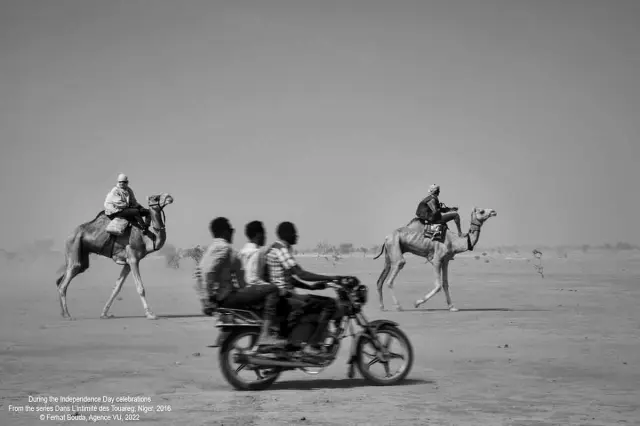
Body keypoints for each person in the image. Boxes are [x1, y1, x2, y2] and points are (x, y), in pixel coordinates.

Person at [195, 217, 286, 348]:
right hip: (227, 296)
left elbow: (198, 274)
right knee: (272, 289)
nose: (233, 232)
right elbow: (208, 272)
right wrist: (210, 297)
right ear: (225, 232)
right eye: (231, 230)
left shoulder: (211, 249)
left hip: (226, 296)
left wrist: (204, 299)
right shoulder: (224, 248)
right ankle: (265, 335)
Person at [265, 221, 342, 357]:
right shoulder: (281, 249)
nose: (297, 236)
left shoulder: (276, 248)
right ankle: (313, 345)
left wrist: (311, 287)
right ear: (288, 234)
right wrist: (331, 278)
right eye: (294, 233)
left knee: (315, 301)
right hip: (285, 297)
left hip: (283, 294)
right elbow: (300, 274)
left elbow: (289, 278)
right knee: (329, 304)